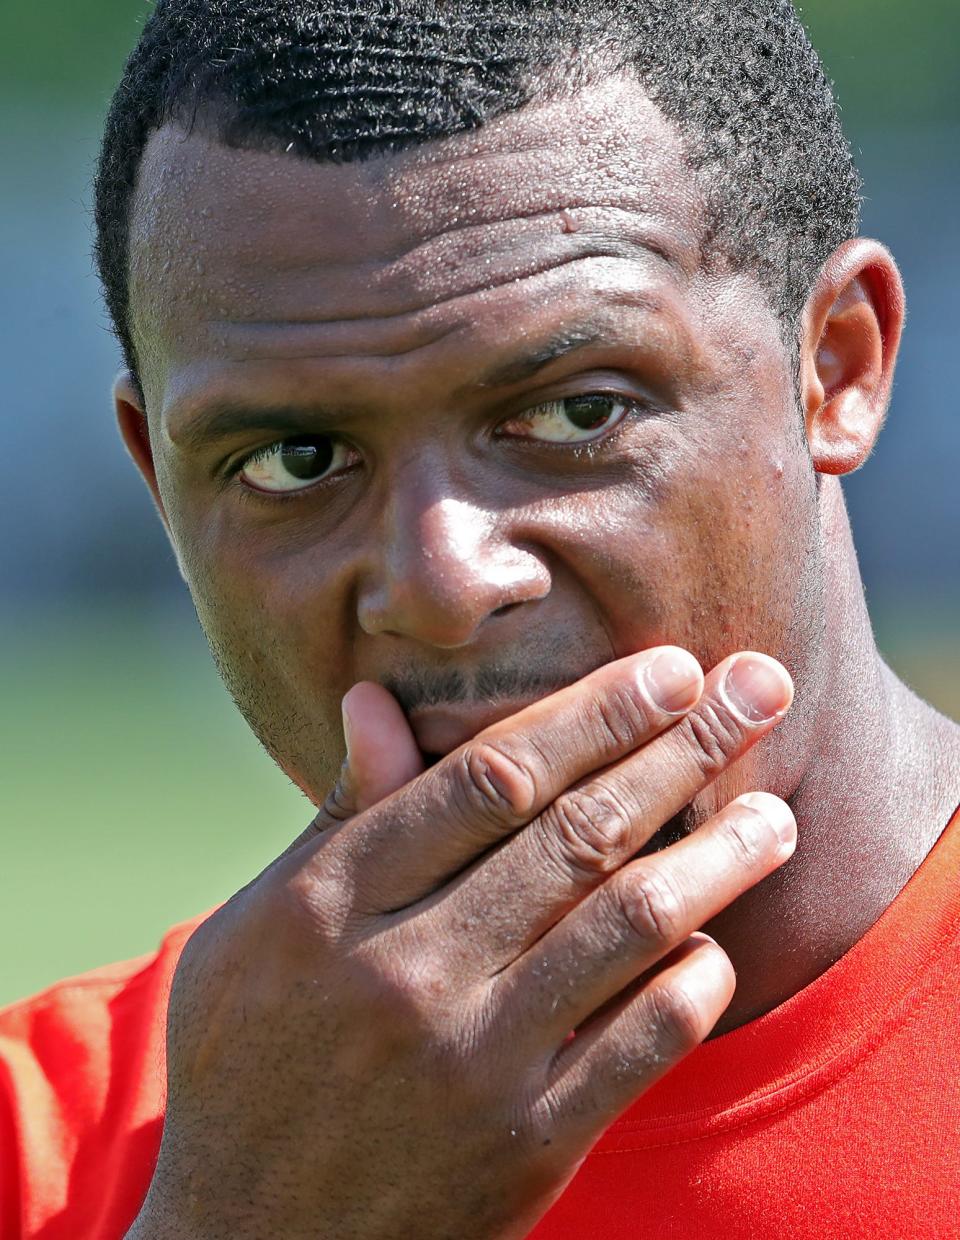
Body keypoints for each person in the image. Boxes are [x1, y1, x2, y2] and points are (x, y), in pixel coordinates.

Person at [3, 0, 959, 1236]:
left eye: (577, 414)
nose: (444, 581)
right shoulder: (54, 1151)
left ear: (835, 366)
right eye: (297, 458)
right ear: (159, 483)